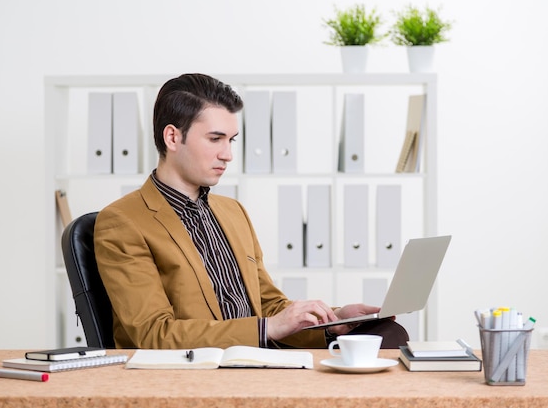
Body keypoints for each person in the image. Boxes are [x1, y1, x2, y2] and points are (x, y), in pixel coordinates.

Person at [94, 73, 408, 349]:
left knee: (386, 333)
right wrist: (267, 328)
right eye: (215, 139)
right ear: (173, 137)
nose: (228, 154)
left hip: (261, 363)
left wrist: (332, 321)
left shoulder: (232, 212)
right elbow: (153, 335)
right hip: (200, 377)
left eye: (231, 140)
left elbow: (268, 305)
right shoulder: (123, 222)